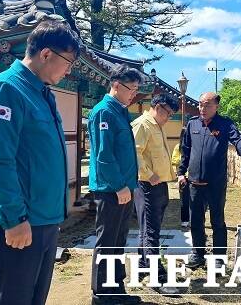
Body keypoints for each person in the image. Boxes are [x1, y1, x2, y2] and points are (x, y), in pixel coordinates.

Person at [0, 19, 80, 305]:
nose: (69, 70)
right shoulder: (5, 90)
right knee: (15, 299)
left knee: (35, 299)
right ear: (46, 54)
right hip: (20, 221)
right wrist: (14, 218)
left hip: (44, 220)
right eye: (68, 61)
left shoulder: (42, 94)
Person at [177, 92, 241, 269]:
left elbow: (238, 140)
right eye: (200, 104)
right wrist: (181, 172)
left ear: (216, 107)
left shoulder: (225, 124)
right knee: (195, 220)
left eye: (207, 105)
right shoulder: (192, 124)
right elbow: (186, 150)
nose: (202, 108)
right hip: (194, 183)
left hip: (216, 183)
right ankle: (198, 254)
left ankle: (219, 258)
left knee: (217, 221)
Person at [88, 64, 143, 305]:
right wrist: (120, 185)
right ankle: (102, 293)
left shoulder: (120, 111)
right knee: (107, 240)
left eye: (137, 90)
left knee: (119, 240)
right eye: (131, 89)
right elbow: (104, 155)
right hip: (111, 189)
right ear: (116, 85)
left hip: (124, 188)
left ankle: (116, 289)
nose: (134, 94)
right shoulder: (104, 112)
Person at [132, 93, 180, 294]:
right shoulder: (142, 124)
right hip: (147, 184)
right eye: (168, 113)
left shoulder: (156, 125)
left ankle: (143, 264)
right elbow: (134, 152)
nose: (169, 117)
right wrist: (149, 174)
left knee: (150, 228)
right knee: (151, 231)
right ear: (158, 107)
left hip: (159, 183)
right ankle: (157, 277)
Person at [172, 127, 190, 228]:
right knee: (184, 200)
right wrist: (179, 174)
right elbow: (174, 161)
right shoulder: (178, 147)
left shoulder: (195, 146)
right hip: (183, 177)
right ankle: (185, 220)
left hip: (194, 177)